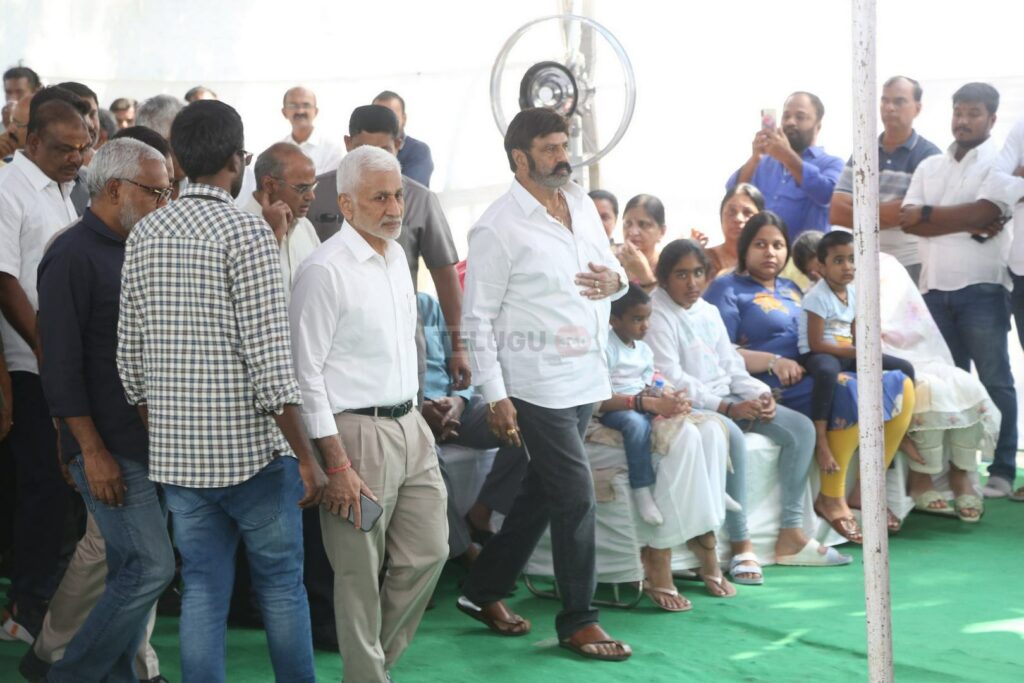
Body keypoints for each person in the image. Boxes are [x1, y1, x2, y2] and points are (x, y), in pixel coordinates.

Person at [117, 99, 326, 682]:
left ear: (177, 160)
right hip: (256, 457)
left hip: (180, 460)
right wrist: (307, 456)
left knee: (204, 591)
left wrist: (170, 431)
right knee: (281, 587)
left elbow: (129, 363)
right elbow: (270, 363)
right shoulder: (248, 232)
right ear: (239, 161)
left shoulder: (144, 233)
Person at [459, 107, 632, 661]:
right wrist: (496, 396)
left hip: (585, 374)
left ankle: (481, 589)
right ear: (520, 158)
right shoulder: (497, 227)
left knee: (541, 491)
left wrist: (617, 281)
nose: (564, 157)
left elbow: (612, 271)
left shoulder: (579, 203)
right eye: (551, 149)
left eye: (565, 145)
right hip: (534, 383)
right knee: (576, 495)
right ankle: (579, 619)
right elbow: (476, 318)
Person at [289, 145, 447, 682]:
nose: (394, 207)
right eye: (380, 197)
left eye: (398, 195)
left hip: (412, 427)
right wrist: (335, 463)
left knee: (430, 553)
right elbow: (305, 375)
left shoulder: (397, 255)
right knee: (358, 573)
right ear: (346, 204)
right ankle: (368, 676)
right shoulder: (323, 271)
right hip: (354, 436)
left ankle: (371, 668)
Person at [31, 138, 176, 682]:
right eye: (155, 192)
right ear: (115, 189)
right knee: (151, 568)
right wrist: (89, 451)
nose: (164, 203)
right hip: (108, 447)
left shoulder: (140, 246)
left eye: (168, 191)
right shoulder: (71, 254)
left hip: (145, 443)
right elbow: (59, 364)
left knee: (129, 571)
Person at [704, 213, 915, 542]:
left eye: (778, 245)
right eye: (760, 244)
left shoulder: (791, 288)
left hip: (813, 368)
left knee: (898, 381)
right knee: (848, 389)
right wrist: (773, 362)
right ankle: (831, 497)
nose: (770, 252)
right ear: (745, 248)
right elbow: (719, 351)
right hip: (767, 380)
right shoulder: (726, 288)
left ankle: (865, 490)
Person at [650, 237, 850, 576]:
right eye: (681, 275)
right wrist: (727, 409)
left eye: (698, 273)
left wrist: (760, 394)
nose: (692, 282)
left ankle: (791, 535)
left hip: (729, 399)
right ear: (664, 278)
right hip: (689, 407)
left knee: (801, 429)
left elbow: (731, 365)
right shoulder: (658, 314)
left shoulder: (707, 311)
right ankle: (741, 545)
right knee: (732, 437)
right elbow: (672, 377)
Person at [899, 82, 1017, 501]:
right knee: (946, 384)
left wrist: (932, 217)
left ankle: (1002, 470)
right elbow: (907, 220)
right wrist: (965, 220)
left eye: (973, 114)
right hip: (933, 289)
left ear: (992, 118)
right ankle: (954, 474)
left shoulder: (999, 166)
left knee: (995, 380)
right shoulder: (930, 165)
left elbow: (988, 212)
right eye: (958, 112)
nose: (963, 121)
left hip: (983, 287)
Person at [0, 93, 90, 642]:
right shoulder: (8, 189)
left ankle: (46, 602)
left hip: (61, 362)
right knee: (44, 488)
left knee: (60, 490)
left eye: (82, 148)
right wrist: (46, 347)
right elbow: (4, 280)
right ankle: (26, 609)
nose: (76, 158)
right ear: (32, 141)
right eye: (64, 148)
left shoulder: (64, 190)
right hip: (30, 365)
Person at [309, 104, 469, 385]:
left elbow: (445, 278)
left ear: (399, 145)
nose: (372, 160)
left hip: (402, 351)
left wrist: (459, 348)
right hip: (335, 353)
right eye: (363, 150)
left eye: (383, 150)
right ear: (347, 144)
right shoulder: (314, 195)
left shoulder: (420, 199)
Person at [418, 292, 528, 561]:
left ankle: (482, 510)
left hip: (454, 405)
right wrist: (420, 410)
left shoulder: (428, 304)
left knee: (526, 422)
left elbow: (461, 362)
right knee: (424, 455)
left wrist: (459, 400)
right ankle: (463, 548)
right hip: (411, 413)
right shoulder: (371, 310)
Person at [798, 230, 920, 474]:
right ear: (821, 266)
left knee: (905, 367)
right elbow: (815, 343)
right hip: (819, 353)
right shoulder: (816, 297)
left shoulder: (853, 293)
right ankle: (821, 439)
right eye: (838, 260)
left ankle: (902, 433)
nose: (847, 266)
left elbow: (856, 333)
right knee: (827, 372)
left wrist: (865, 349)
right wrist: (854, 353)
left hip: (845, 352)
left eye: (852, 259)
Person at [830, 76, 942, 284]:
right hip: (865, 264)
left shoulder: (930, 156)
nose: (889, 108)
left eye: (899, 101)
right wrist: (892, 213)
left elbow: (915, 213)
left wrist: (860, 211)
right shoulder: (863, 152)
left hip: (910, 265)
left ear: (917, 109)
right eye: (884, 100)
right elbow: (836, 211)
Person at [599, 283, 690, 525]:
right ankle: (641, 488)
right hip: (619, 407)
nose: (646, 325)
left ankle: (706, 486)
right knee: (635, 425)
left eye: (648, 318)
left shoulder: (644, 350)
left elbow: (651, 382)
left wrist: (667, 396)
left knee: (686, 418)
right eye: (637, 319)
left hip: (643, 401)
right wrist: (645, 402)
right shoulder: (606, 347)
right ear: (614, 320)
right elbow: (602, 397)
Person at [727, 91, 844, 239]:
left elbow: (827, 195)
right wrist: (755, 158)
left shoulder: (832, 164)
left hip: (805, 252)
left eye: (800, 117)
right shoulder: (763, 162)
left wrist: (787, 156)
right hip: (762, 250)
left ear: (818, 126)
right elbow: (732, 193)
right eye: (786, 116)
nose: (790, 122)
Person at [238, 142, 320, 296]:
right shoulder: (240, 228)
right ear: (269, 185)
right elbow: (248, 289)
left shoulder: (305, 226)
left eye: (313, 186)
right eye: (302, 188)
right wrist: (274, 235)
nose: (311, 196)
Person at [373, 90, 433, 187]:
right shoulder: (364, 149)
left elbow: (406, 190)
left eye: (391, 117)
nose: (384, 122)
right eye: (378, 117)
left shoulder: (418, 151)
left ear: (404, 119)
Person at [705, 183, 765, 280]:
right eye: (731, 212)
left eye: (747, 213)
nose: (738, 219)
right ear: (721, 216)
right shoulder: (703, 259)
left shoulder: (770, 260)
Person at [281, 86, 343, 175]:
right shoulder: (277, 151)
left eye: (306, 105)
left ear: (316, 111)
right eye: (293, 106)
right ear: (284, 112)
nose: (300, 111)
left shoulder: (332, 150)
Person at [614, 194, 667, 292]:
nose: (633, 232)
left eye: (643, 224)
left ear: (662, 232)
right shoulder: (613, 262)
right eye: (628, 224)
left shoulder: (669, 267)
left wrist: (646, 278)